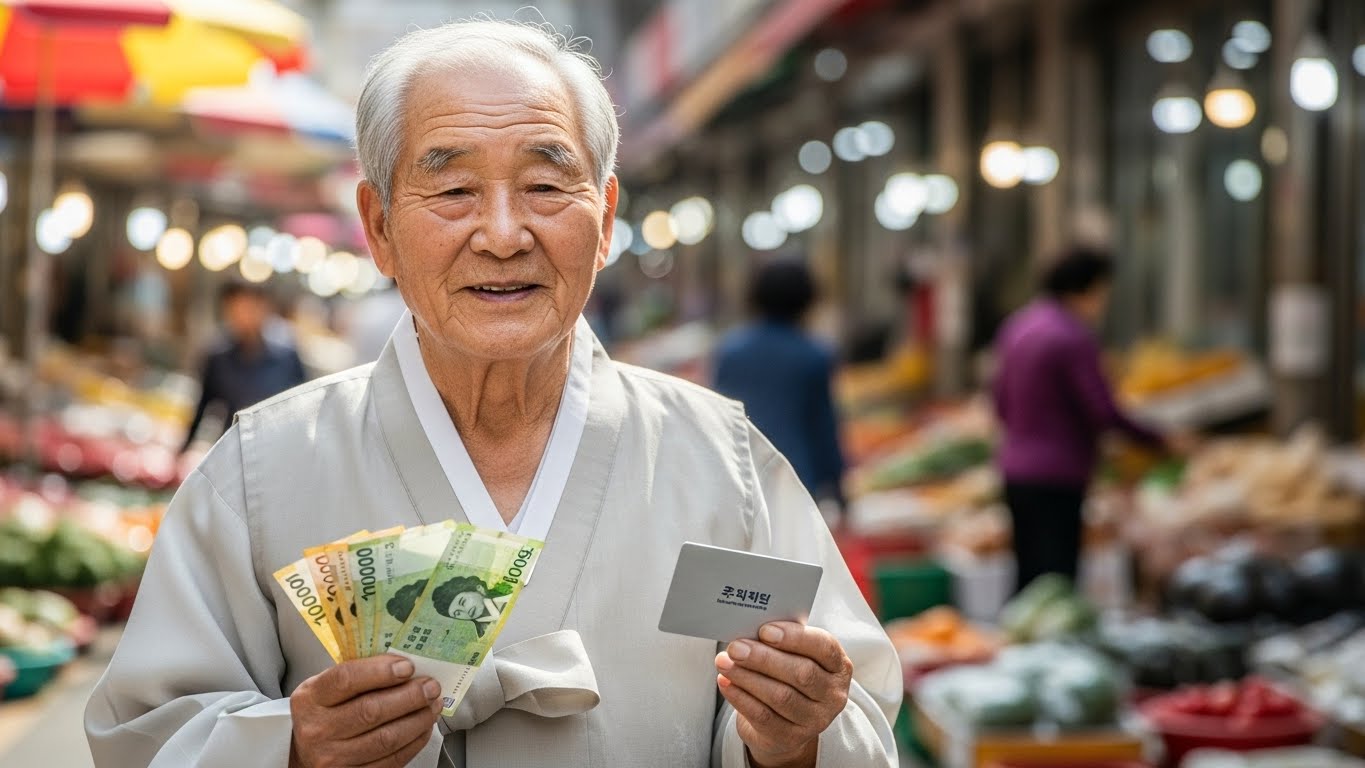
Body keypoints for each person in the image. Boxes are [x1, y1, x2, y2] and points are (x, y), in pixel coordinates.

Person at [86, 20, 899, 768]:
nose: (504, 235)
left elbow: (852, 713)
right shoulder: (260, 473)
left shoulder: (726, 464)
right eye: (453, 191)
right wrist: (291, 749)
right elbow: (145, 735)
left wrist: (791, 739)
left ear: (605, 216)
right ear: (379, 227)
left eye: (546, 186)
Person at [992, 247, 1176, 594]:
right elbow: (1103, 411)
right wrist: (1159, 439)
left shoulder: (1017, 327)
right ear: (1088, 288)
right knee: (1057, 581)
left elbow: (1000, 402)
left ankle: (1021, 629)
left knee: (1028, 575)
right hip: (1058, 474)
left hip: (1015, 469)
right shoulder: (1072, 337)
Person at [713, 259, 846, 519]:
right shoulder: (814, 355)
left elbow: (718, 419)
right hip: (793, 478)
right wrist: (838, 490)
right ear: (807, 300)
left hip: (738, 474)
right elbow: (823, 428)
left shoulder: (730, 352)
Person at [181, 281, 308, 452]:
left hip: (279, 446)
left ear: (264, 308)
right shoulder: (218, 357)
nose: (243, 317)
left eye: (250, 309)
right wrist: (184, 449)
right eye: (236, 310)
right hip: (235, 448)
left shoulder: (286, 355)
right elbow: (203, 406)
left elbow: (303, 404)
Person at [431, 576, 511, 638]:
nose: (465, 610)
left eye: (463, 602)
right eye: (457, 613)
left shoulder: (511, 598)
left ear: (479, 589)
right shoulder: (483, 635)